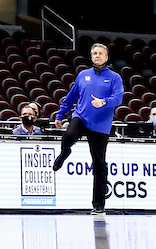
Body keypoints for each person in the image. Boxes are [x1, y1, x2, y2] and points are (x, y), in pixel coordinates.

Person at [53, 43, 124, 215]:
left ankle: (98, 205)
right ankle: (64, 153)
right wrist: (60, 115)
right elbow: (71, 97)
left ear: (106, 58)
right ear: (91, 57)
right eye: (94, 53)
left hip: (101, 125)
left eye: (101, 53)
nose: (97, 56)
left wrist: (103, 101)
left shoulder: (114, 78)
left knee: (99, 164)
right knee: (69, 135)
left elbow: (118, 98)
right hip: (81, 117)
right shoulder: (83, 75)